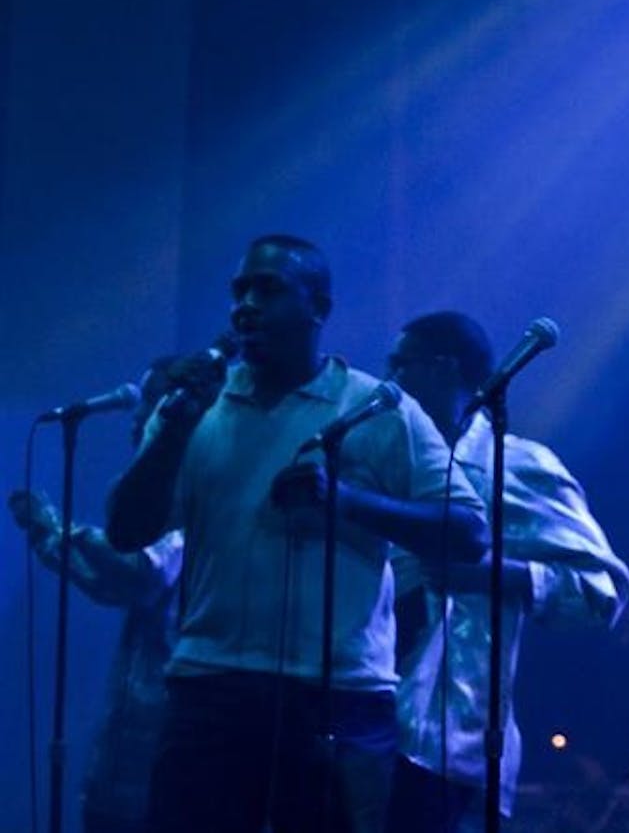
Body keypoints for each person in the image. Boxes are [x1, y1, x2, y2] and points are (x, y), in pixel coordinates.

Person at [105, 234, 488, 833]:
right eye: (239, 292)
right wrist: (173, 430)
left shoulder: (376, 408)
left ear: (319, 308)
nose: (246, 306)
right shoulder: (195, 409)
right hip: (210, 688)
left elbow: (468, 532)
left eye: (268, 289)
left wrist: (346, 502)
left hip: (337, 697)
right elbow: (126, 531)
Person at [381, 310, 629, 832]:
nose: (390, 380)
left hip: (449, 738)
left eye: (402, 364)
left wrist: (493, 574)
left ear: (445, 368)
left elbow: (600, 591)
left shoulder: (512, 466)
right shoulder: (379, 458)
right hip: (364, 721)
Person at [7, 357, 182, 833]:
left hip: (172, 730)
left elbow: (143, 573)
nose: (136, 414)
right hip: (131, 732)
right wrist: (47, 535)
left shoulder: (197, 492)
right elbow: (117, 584)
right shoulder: (153, 498)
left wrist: (59, 529)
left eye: (149, 400)